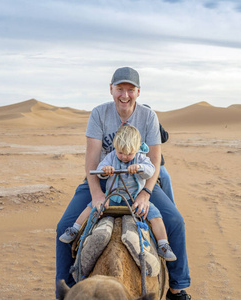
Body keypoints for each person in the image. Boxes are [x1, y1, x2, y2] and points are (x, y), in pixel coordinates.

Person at [56, 67, 191, 300]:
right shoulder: (99, 114)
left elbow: (155, 160)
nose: (125, 95)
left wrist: (146, 194)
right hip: (103, 183)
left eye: (130, 90)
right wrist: (97, 194)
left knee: (175, 222)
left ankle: (177, 288)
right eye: (120, 89)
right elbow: (92, 159)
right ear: (111, 89)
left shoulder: (148, 117)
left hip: (139, 184)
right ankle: (66, 292)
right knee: (63, 227)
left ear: (138, 92)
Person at [59, 125, 177, 261]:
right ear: (115, 147)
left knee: (155, 216)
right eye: (121, 152)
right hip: (113, 196)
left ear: (137, 149)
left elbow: (150, 169)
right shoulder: (111, 157)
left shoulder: (140, 158)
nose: (124, 157)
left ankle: (163, 245)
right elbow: (100, 170)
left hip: (134, 199)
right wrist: (105, 170)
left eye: (129, 153)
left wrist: (139, 167)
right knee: (91, 206)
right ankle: (75, 229)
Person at [143, 104, 176, 205]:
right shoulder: (136, 124)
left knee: (165, 178)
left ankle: (171, 205)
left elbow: (164, 137)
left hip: (156, 162)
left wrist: (156, 123)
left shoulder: (154, 123)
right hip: (139, 160)